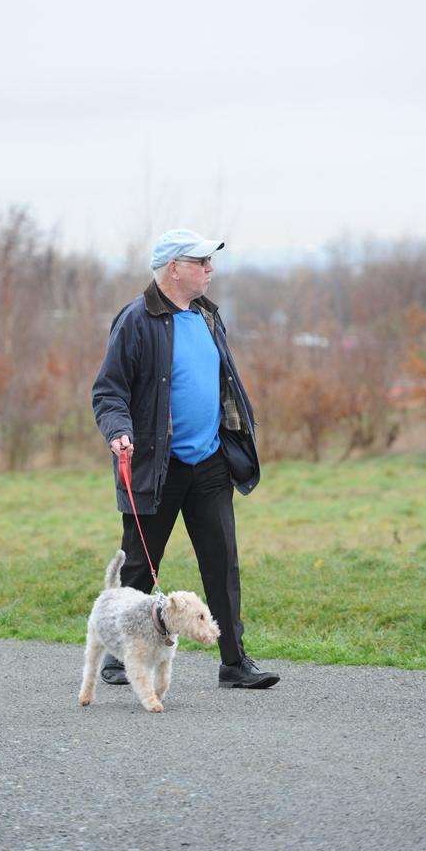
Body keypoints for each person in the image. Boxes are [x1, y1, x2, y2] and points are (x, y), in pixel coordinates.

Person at [91, 228, 280, 689]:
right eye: (202, 262)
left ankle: (234, 663)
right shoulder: (137, 320)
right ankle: (119, 656)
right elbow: (108, 390)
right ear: (174, 268)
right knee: (138, 564)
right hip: (157, 465)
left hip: (211, 462)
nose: (210, 270)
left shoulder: (208, 317)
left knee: (222, 563)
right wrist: (119, 432)